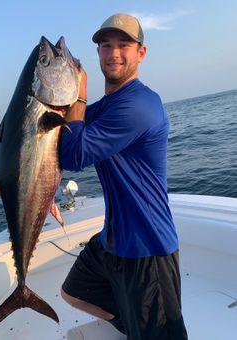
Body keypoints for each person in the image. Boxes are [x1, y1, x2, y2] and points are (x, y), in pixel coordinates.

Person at [59, 13, 188, 340]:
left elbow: (74, 154)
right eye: (106, 45)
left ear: (140, 53)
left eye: (123, 45)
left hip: (148, 249)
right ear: (98, 53)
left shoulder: (140, 105)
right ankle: (133, 325)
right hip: (112, 242)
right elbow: (63, 135)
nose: (113, 53)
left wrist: (79, 94)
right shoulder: (105, 109)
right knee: (73, 292)